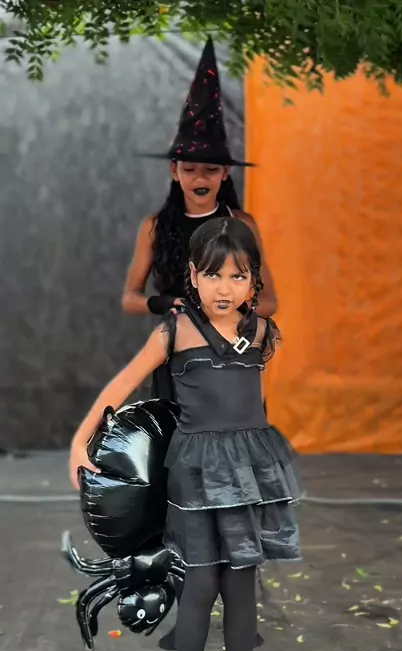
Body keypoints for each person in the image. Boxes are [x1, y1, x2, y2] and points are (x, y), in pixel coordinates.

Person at [70, 217, 301, 651]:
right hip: (195, 476)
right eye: (214, 275)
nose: (225, 288)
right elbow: (122, 386)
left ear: (254, 281)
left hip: (246, 476)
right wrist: (82, 441)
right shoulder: (174, 331)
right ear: (194, 276)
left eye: (238, 276)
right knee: (199, 583)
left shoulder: (261, 334)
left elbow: (250, 405)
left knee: (240, 585)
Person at [121, 36, 277, 402]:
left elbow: (269, 301)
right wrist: (164, 304)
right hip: (175, 356)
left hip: (231, 356)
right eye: (190, 169)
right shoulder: (155, 227)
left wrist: (228, 313)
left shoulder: (241, 224)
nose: (200, 178)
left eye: (210, 170)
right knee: (177, 434)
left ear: (225, 173)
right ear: (175, 172)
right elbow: (130, 298)